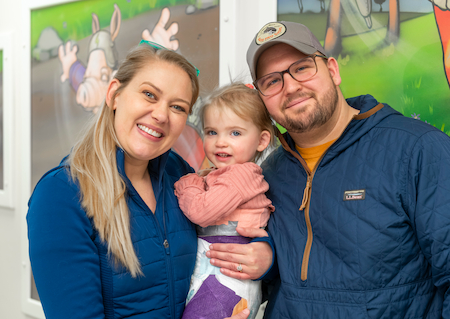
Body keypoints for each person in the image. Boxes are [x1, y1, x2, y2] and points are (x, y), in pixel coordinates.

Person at [27, 41, 272, 319]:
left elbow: (231, 228)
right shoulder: (61, 195)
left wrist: (265, 257)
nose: (160, 115)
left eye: (178, 107)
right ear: (114, 94)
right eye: (149, 94)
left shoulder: (179, 175)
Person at [245, 21, 450, 318]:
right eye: (272, 81)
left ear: (333, 70)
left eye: (302, 67)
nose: (290, 87)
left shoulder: (419, 150)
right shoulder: (267, 175)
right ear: (262, 97)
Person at [174, 83, 276, 319]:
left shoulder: (241, 175)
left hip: (226, 278)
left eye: (235, 133)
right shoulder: (224, 174)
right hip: (218, 271)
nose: (221, 142)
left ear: (261, 141)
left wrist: (187, 184)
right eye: (212, 132)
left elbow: (201, 212)